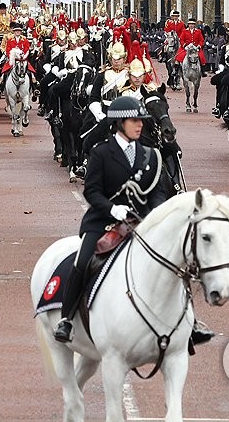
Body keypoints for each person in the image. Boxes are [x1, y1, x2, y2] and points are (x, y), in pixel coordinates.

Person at [54, 95, 177, 344]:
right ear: (120, 123)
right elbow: (92, 191)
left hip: (141, 221)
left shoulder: (150, 154)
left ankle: (188, 321)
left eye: (141, 120)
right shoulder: (101, 153)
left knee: (175, 260)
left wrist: (155, 213)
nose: (140, 125)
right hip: (103, 221)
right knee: (83, 261)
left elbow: (157, 191)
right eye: (134, 120)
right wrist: (113, 209)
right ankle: (66, 318)